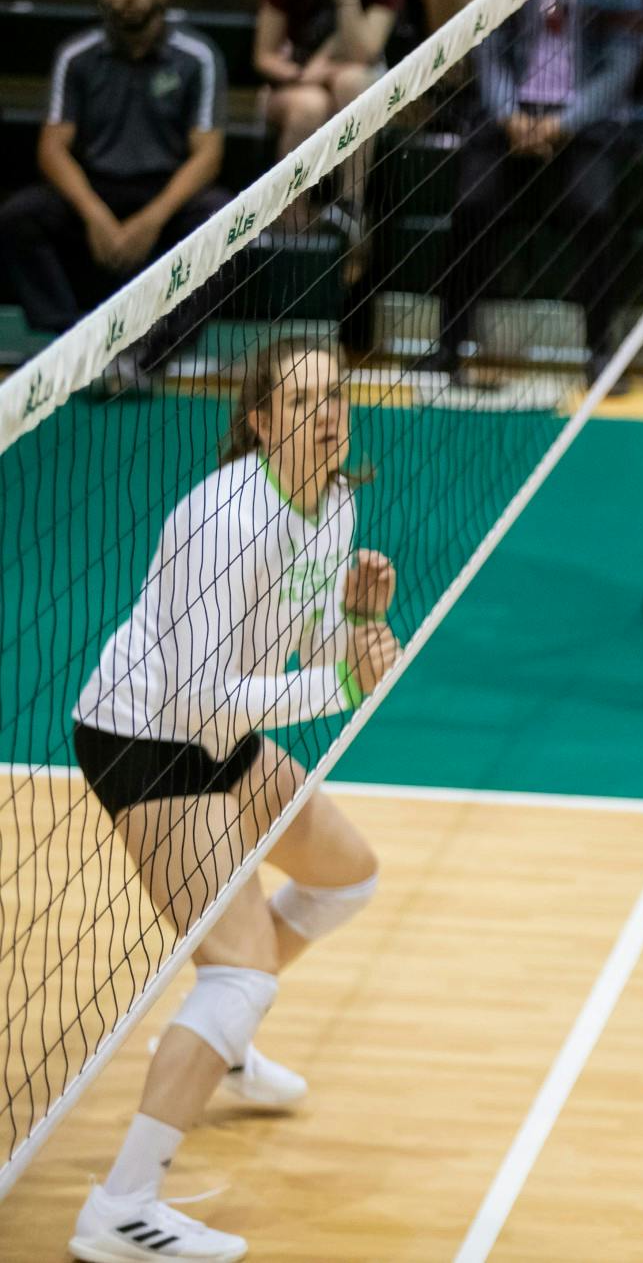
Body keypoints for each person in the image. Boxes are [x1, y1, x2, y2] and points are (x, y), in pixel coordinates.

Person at [65, 341, 399, 1263]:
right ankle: (120, 1207)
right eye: (300, 402)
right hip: (148, 737)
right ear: (259, 421)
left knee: (345, 879)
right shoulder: (226, 520)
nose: (326, 414)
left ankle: (223, 1034)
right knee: (239, 968)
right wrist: (338, 679)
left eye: (335, 394)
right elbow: (197, 698)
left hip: (215, 726)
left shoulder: (333, 503)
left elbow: (312, 641)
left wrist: (361, 632)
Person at [0, 0, 228, 395]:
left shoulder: (197, 56)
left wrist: (149, 221)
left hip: (165, 195)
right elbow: (52, 148)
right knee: (18, 216)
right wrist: (96, 216)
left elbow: (208, 155)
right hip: (97, 191)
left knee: (223, 220)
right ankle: (73, 345)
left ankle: (149, 356)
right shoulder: (76, 55)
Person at [429, 0, 643, 387]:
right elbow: (490, 56)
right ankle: (448, 347)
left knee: (596, 210)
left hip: (583, 119)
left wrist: (564, 122)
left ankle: (601, 350)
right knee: (471, 204)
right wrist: (511, 116)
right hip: (509, 114)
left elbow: (619, 70)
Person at [255, 0, 405, 259]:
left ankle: (351, 206)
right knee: (311, 104)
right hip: (293, 85)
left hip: (349, 79)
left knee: (354, 82)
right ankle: (289, 218)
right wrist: (303, 75)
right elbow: (264, 56)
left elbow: (364, 50)